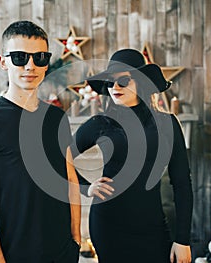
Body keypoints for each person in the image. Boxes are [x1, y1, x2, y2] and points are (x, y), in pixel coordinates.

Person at [0, 20, 81, 263]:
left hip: (62, 253)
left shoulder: (57, 117)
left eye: (39, 58)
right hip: (13, 254)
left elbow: (70, 179)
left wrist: (76, 239)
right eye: (19, 57)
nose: (30, 66)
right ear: (3, 62)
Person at [70, 49, 193, 263]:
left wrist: (183, 240)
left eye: (123, 81)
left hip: (152, 228)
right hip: (108, 227)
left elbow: (182, 184)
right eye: (110, 83)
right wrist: (86, 187)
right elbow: (57, 157)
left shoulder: (167, 124)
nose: (115, 87)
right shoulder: (99, 124)